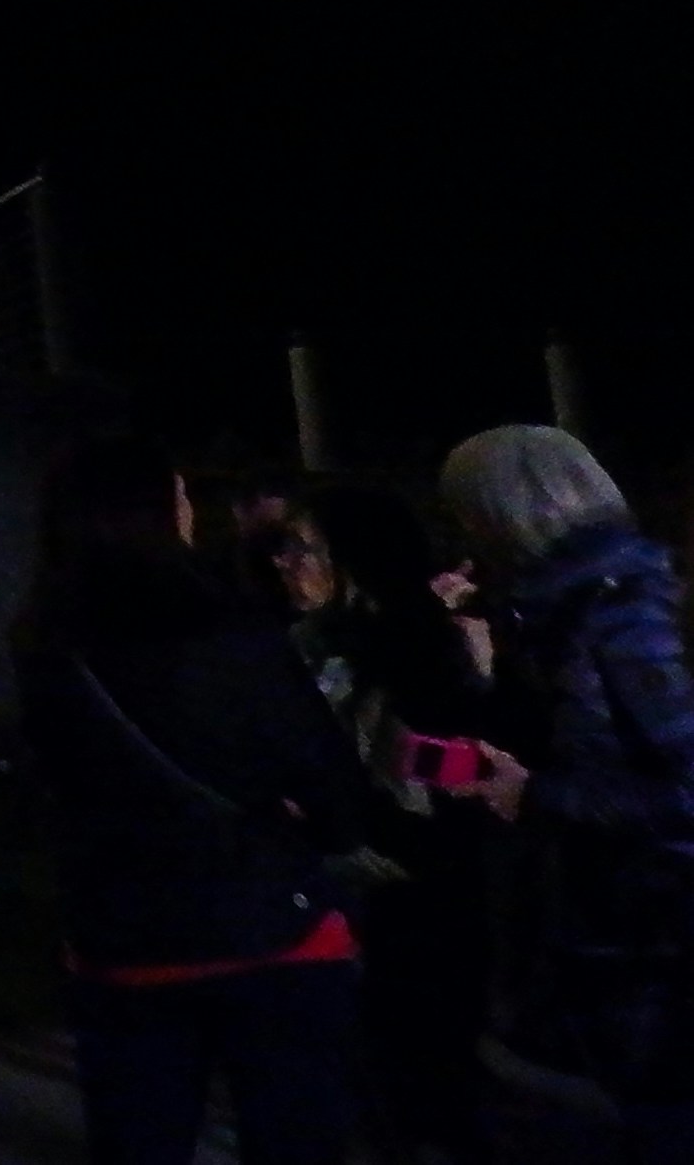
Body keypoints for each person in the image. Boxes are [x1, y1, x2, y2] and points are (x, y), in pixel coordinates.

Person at [22, 433, 377, 1165]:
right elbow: (337, 792)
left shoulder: (45, 643)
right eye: (179, 496)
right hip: (269, 934)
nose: (191, 511)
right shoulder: (232, 632)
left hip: (121, 941)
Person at [447, 423, 694, 1156]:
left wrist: (539, 795)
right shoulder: (560, 610)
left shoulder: (626, 617)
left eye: (465, 512)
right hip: (617, 939)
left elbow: (686, 791)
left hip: (655, 945)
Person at [285, 482, 507, 1163]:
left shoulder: (429, 640)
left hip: (423, 880)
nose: (287, 562)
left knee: (424, 1061)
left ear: (354, 560)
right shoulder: (319, 641)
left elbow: (476, 766)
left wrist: (396, 755)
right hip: (369, 879)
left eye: (305, 548)